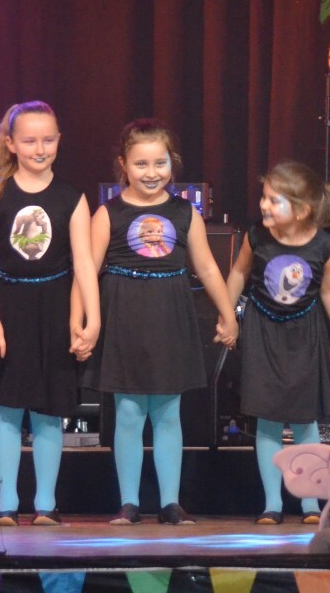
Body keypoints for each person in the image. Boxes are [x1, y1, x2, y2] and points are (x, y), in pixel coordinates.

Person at [89, 119, 238, 525]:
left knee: (169, 412)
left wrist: (227, 314)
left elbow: (207, 267)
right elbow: (88, 271)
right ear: (124, 165)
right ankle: (129, 502)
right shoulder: (108, 213)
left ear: (172, 163)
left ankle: (170, 502)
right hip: (125, 317)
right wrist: (82, 320)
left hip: (170, 315)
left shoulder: (184, 212)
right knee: (129, 412)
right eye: (141, 164)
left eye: (160, 163)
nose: (151, 172)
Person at [0, 101, 100, 524]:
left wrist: (91, 320)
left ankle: (45, 504)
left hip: (54, 308)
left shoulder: (72, 198)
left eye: (48, 140)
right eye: (29, 141)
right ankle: (5, 502)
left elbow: (83, 264)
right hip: (9, 309)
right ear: (11, 144)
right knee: (8, 406)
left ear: (59, 140)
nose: (40, 149)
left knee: (49, 409)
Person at [225, 161, 330, 524]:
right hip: (263, 332)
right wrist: (226, 316)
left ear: (301, 210)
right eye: (263, 197)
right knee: (267, 418)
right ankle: (272, 504)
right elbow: (238, 273)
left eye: (273, 200)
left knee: (304, 420)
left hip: (305, 335)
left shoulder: (323, 244)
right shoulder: (257, 236)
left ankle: (310, 503)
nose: (263, 205)